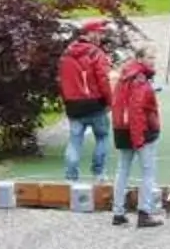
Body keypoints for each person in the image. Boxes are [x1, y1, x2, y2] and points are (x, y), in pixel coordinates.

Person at [109, 43, 163, 226]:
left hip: (123, 129)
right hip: (141, 131)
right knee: (148, 171)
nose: (153, 61)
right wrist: (138, 139)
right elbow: (137, 111)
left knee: (122, 169)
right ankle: (144, 213)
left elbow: (118, 105)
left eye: (154, 57)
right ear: (140, 59)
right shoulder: (140, 80)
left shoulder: (125, 76)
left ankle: (118, 212)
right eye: (150, 57)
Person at [58, 19, 114, 188]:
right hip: (95, 103)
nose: (101, 35)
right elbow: (103, 80)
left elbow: (61, 81)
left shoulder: (66, 54)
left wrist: (66, 100)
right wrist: (110, 101)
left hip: (73, 104)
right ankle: (98, 174)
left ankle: (70, 176)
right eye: (99, 32)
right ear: (90, 33)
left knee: (75, 140)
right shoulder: (96, 54)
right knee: (102, 137)